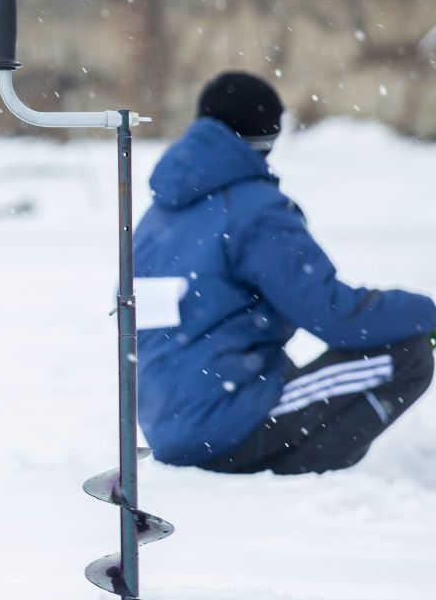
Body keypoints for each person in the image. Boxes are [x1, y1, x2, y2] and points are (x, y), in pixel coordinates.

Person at [134, 71, 435, 474]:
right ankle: (300, 469)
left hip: (170, 427)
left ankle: (273, 452)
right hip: (223, 425)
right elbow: (333, 314)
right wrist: (427, 313)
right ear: (268, 137)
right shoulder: (254, 209)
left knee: (262, 358)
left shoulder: (158, 214)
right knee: (409, 354)